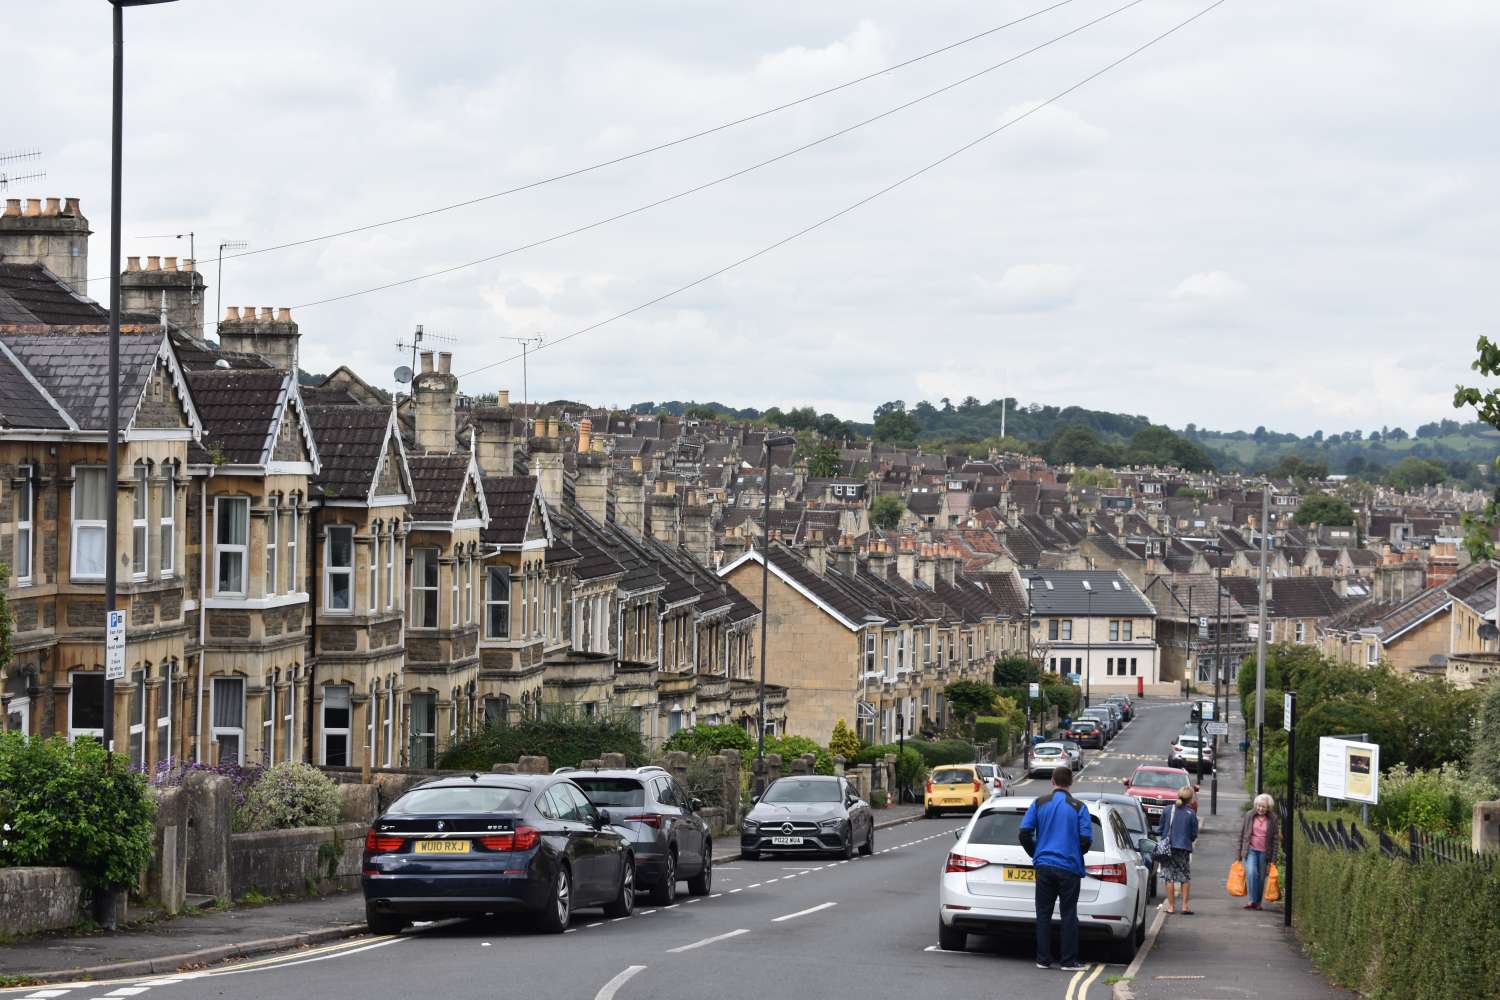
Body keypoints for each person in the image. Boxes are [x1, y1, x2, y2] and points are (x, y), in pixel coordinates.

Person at [1019, 765, 1093, 972]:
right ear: (1070, 782)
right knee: (1069, 914)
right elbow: (1086, 840)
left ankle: (1043, 959)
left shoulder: (1039, 803)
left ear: (1052, 781)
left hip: (1044, 865)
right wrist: (1074, 853)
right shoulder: (1079, 807)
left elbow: (1024, 833)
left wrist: (1037, 853)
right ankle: (1068, 961)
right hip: (1069, 867)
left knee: (1043, 913)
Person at [1158, 784, 1199, 914]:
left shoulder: (1167, 810)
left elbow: (1160, 829)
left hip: (1168, 848)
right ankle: (1185, 906)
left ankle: (1171, 907)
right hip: (1183, 848)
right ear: (1190, 799)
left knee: (1169, 877)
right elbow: (1193, 835)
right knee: (1184, 877)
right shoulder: (1191, 813)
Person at [1237, 793, 1281, 910]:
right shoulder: (1249, 815)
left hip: (1265, 852)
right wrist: (1239, 854)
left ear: (1268, 808)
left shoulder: (1273, 819)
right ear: (1256, 805)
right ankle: (1252, 900)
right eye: (1259, 806)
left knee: (1261, 878)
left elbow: (1276, 840)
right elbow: (1242, 834)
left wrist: (1273, 859)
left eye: (1263, 807)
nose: (1260, 809)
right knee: (1251, 873)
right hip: (1250, 849)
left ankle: (1258, 903)